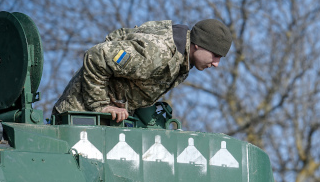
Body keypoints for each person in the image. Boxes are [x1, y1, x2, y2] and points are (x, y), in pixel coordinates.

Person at [52, 18, 232, 122]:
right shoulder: (157, 53)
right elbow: (96, 56)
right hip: (78, 116)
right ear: (199, 45)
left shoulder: (182, 60)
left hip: (100, 122)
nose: (216, 63)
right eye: (215, 55)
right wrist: (101, 105)